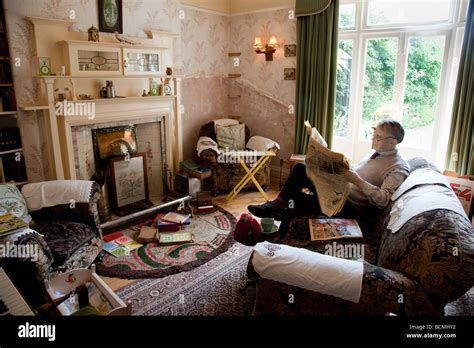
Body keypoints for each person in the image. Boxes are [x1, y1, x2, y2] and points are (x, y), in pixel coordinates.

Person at [248, 119, 410, 236]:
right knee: (299, 179)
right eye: (374, 133)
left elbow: (382, 200)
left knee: (298, 184)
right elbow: (355, 172)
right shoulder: (376, 152)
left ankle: (277, 212)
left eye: (378, 137)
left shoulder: (398, 167)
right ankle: (279, 215)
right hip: (340, 194)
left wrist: (355, 179)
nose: (373, 139)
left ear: (393, 142)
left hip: (352, 208)